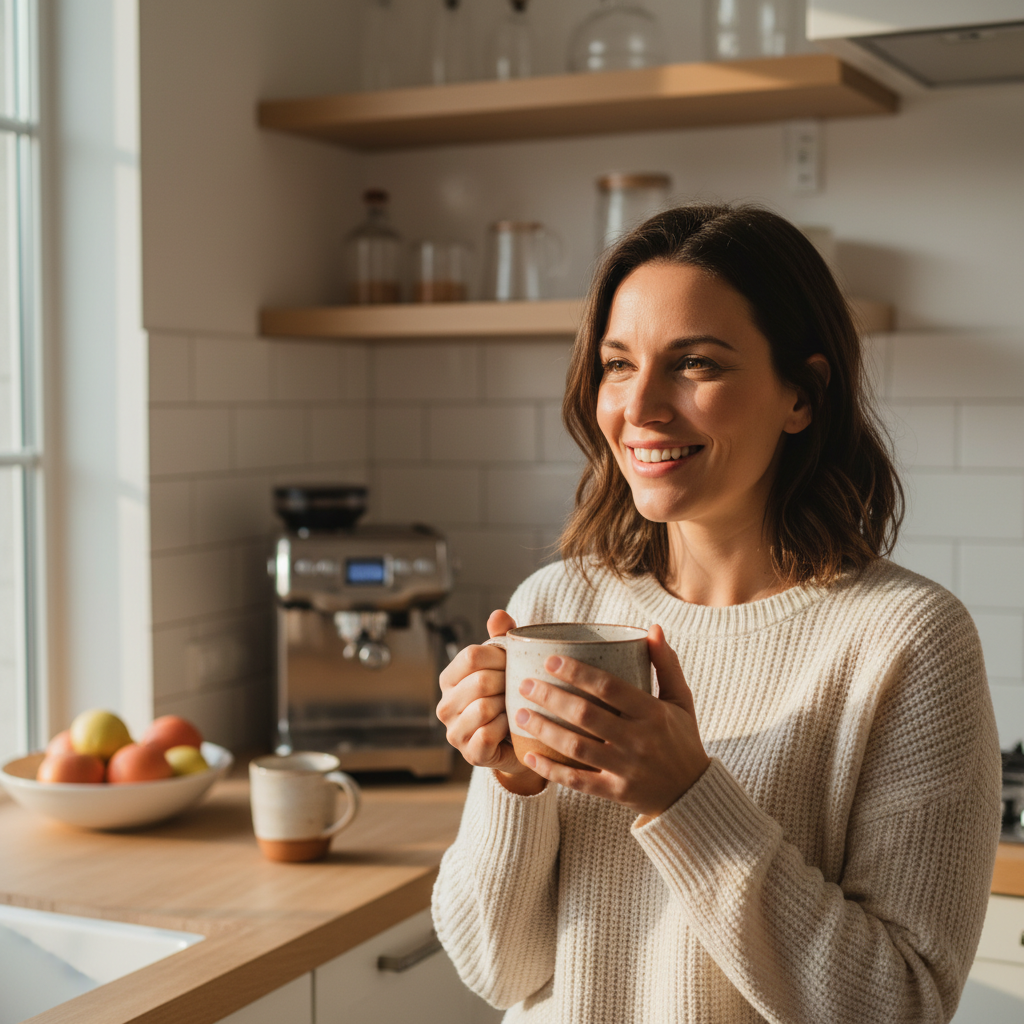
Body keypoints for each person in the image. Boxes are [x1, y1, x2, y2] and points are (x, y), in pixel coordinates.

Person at [431, 204, 1002, 1024]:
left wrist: (686, 796)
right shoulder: (554, 607)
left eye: (695, 364)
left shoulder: (907, 640)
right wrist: (514, 784)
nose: (642, 408)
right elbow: (498, 968)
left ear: (801, 395)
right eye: (619, 364)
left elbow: (901, 1005)